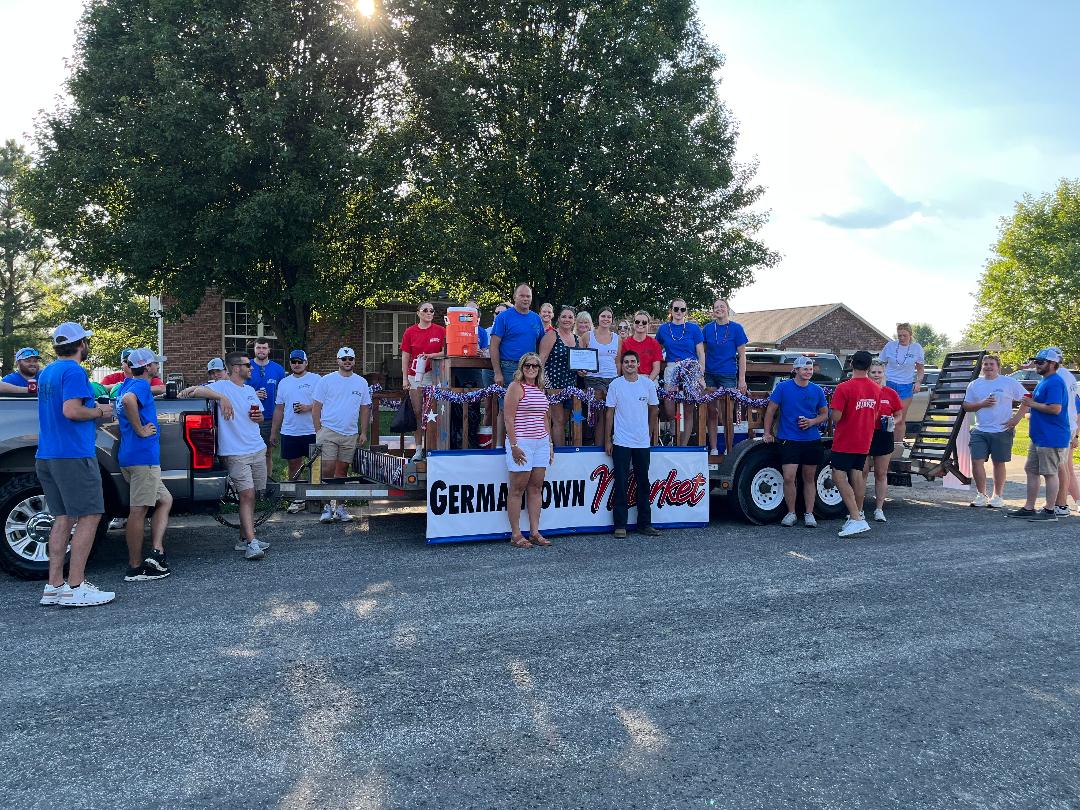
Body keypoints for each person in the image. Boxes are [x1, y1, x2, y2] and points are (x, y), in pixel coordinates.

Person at [36, 322, 116, 607]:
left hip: (47, 454)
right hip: (73, 455)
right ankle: (76, 586)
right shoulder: (74, 371)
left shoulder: (47, 371)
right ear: (81, 344)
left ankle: (54, 585)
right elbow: (71, 410)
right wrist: (100, 410)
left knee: (62, 518)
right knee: (90, 515)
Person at [181, 353, 268, 559]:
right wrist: (222, 398)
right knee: (246, 495)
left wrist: (259, 417)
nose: (252, 368)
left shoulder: (249, 391)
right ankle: (252, 543)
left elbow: (261, 417)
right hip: (235, 452)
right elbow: (192, 391)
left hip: (257, 448)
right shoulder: (221, 386)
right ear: (236, 368)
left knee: (252, 495)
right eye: (248, 365)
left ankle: (244, 538)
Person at [115, 348, 173, 582]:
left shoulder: (126, 384)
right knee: (138, 511)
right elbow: (129, 402)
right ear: (147, 367)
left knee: (165, 499)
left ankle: (156, 552)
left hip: (130, 456)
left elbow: (124, 401)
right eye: (155, 364)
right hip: (143, 458)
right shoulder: (139, 386)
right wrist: (140, 429)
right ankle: (135, 568)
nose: (157, 367)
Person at [763, 356, 828, 528]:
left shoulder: (817, 390)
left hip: (811, 440)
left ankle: (809, 514)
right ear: (796, 370)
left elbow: (824, 413)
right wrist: (767, 432)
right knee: (789, 477)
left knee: (809, 478)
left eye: (810, 369)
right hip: (789, 439)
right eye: (805, 369)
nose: (808, 372)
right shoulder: (783, 387)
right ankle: (791, 513)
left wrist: (812, 422)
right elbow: (771, 410)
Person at [1007, 348, 1070, 521]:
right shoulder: (1044, 381)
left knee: (1050, 473)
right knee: (1031, 470)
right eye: (1036, 361)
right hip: (1040, 436)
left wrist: (1032, 404)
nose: (1037, 364)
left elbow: (1055, 409)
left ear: (1053, 364)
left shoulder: (1055, 382)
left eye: (1041, 362)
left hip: (1052, 437)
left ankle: (1050, 511)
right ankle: (1029, 507)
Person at [605, 350, 661, 539]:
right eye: (626, 362)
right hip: (621, 441)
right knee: (621, 482)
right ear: (622, 365)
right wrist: (608, 439)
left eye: (632, 361)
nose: (629, 364)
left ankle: (644, 524)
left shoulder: (647, 384)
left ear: (638, 364)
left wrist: (650, 432)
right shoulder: (615, 385)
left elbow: (654, 410)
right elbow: (609, 413)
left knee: (643, 482)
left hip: (642, 442)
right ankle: (620, 525)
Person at [312, 347, 371, 523]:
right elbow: (316, 406)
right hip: (329, 431)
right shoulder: (326, 380)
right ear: (337, 361)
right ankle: (326, 508)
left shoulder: (361, 382)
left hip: (350, 433)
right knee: (327, 470)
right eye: (344, 358)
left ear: (354, 361)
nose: (347, 361)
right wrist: (318, 430)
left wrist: (363, 432)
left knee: (342, 472)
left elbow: (365, 407)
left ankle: (340, 508)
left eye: (350, 358)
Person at [962, 354, 1027, 507]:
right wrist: (982, 404)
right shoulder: (974, 384)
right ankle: (981, 495)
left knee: (998, 463)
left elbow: (1027, 398)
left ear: (998, 367)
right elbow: (966, 406)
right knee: (976, 461)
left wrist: (1016, 418)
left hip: (1002, 429)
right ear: (982, 367)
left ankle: (997, 496)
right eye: (986, 364)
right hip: (980, 429)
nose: (988, 367)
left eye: (992, 364)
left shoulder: (1009, 382)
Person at [503, 352, 554, 548]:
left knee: (536, 488)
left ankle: (534, 531)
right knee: (517, 489)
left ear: (539, 369)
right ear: (522, 367)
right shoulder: (515, 387)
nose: (531, 369)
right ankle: (516, 534)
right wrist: (514, 446)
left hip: (540, 442)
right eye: (527, 365)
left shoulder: (540, 389)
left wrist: (549, 444)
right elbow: (508, 418)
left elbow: (544, 418)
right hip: (522, 442)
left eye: (535, 366)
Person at [828, 350, 879, 538]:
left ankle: (856, 518)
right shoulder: (876, 388)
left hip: (846, 439)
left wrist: (832, 413)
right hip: (865, 438)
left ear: (851, 364)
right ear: (869, 366)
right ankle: (857, 514)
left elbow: (837, 416)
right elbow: (875, 415)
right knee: (857, 474)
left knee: (839, 476)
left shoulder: (844, 388)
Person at [270, 350, 321, 513]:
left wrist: (307, 407)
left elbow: (326, 403)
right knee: (293, 465)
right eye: (293, 362)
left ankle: (315, 498)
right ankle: (297, 499)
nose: (297, 364)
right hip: (290, 431)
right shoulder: (284, 382)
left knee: (316, 466)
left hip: (313, 430)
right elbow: (279, 408)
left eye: (300, 361)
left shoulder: (316, 380)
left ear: (306, 363)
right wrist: (273, 432)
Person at [654, 298, 705, 445]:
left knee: (688, 409)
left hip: (691, 369)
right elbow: (655, 349)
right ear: (671, 310)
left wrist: (700, 374)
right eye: (676, 309)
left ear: (686, 312)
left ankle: (683, 445)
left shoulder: (694, 329)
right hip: (671, 367)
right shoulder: (664, 329)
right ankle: (673, 435)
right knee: (669, 405)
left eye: (682, 309)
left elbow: (701, 353)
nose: (679, 312)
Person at [400, 301, 446, 462]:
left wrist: (430, 356)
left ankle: (432, 448)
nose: (429, 313)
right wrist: (405, 378)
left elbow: (446, 352)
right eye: (425, 310)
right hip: (415, 376)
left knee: (433, 413)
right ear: (418, 312)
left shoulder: (441, 331)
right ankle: (419, 449)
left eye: (432, 311)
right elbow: (405, 355)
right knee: (418, 412)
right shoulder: (410, 332)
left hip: (435, 376)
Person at [703, 299, 749, 454]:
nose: (719, 309)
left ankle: (729, 448)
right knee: (712, 411)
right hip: (709, 374)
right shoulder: (708, 329)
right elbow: (702, 352)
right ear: (713, 311)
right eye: (716, 307)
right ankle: (714, 448)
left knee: (726, 412)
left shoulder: (736, 328)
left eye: (722, 306)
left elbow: (742, 355)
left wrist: (741, 379)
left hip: (728, 374)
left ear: (727, 309)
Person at [861, 360, 904, 523]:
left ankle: (879, 509)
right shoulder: (863, 391)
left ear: (883, 374)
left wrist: (893, 420)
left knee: (881, 473)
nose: (876, 375)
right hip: (864, 435)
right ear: (868, 373)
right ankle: (858, 508)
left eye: (879, 372)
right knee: (862, 472)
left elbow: (899, 414)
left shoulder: (890, 393)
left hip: (884, 435)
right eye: (873, 372)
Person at [538, 306, 581, 447]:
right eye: (564, 316)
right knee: (559, 420)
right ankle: (558, 452)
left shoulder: (577, 339)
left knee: (565, 420)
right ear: (558, 319)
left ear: (574, 320)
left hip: (570, 386)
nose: (567, 320)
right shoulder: (552, 335)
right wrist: (542, 383)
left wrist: (581, 371)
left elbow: (578, 364)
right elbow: (541, 360)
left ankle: (559, 449)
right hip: (553, 384)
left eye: (570, 317)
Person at [490, 283, 545, 388]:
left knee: (529, 403)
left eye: (528, 296)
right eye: (522, 296)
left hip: (530, 368)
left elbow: (541, 343)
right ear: (514, 297)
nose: (525, 299)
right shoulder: (503, 317)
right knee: (509, 403)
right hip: (508, 368)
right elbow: (493, 345)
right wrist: (497, 372)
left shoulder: (536, 318)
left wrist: (538, 366)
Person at [247, 337, 285, 474]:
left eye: (264, 348)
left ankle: (266, 484)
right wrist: (253, 395)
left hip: (269, 416)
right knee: (248, 453)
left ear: (269, 350)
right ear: (254, 349)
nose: (261, 350)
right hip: (248, 417)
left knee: (267, 453)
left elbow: (283, 394)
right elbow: (238, 389)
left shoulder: (278, 369)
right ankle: (250, 482)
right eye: (258, 347)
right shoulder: (247, 367)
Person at [584, 307, 621, 447]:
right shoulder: (588, 336)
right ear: (598, 318)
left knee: (610, 412)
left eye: (609, 317)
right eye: (603, 316)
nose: (606, 319)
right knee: (600, 413)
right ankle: (599, 447)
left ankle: (610, 443)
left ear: (612, 320)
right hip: (593, 378)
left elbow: (618, 362)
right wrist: (581, 371)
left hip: (611, 379)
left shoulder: (617, 339)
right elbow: (580, 359)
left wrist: (617, 380)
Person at [1051, 352, 1080, 516]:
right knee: (1065, 467)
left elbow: (1077, 412)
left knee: (1062, 467)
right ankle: (1066, 502)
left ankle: (1063, 504)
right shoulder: (1067, 376)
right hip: (1068, 428)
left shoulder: (1060, 378)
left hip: (1064, 428)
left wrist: (1076, 436)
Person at [879, 323, 924, 419]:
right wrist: (881, 379)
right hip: (889, 383)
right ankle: (886, 434)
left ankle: (899, 434)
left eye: (905, 335)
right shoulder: (890, 346)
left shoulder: (917, 348)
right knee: (886, 416)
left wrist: (918, 382)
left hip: (906, 385)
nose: (902, 338)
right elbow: (880, 364)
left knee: (900, 417)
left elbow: (920, 368)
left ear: (910, 335)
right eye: (900, 335)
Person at [101, 348, 166, 395]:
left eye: (134, 361)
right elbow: (98, 389)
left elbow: (162, 388)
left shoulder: (150, 378)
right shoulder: (111, 378)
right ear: (121, 365)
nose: (132, 364)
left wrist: (126, 387)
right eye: (128, 362)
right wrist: (120, 386)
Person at [621, 311, 663, 382]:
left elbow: (656, 369)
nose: (640, 324)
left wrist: (646, 383)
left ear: (648, 325)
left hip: (649, 378)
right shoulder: (626, 343)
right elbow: (623, 366)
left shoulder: (654, 343)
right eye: (637, 321)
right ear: (633, 324)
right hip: (630, 377)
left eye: (644, 322)